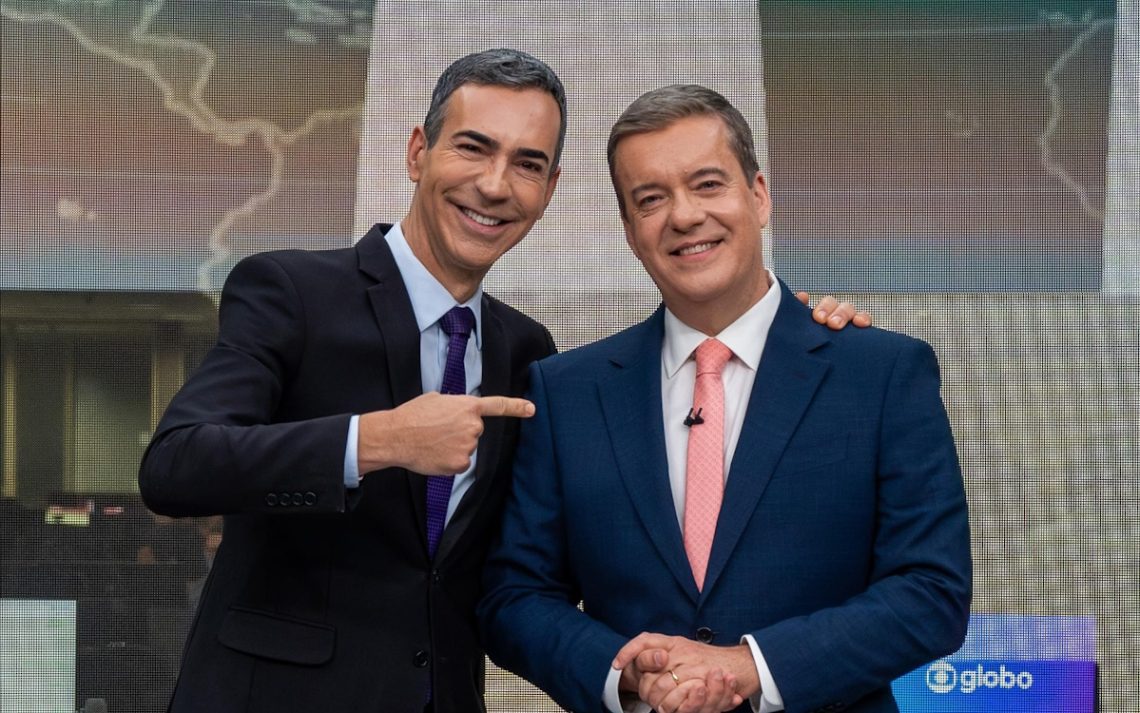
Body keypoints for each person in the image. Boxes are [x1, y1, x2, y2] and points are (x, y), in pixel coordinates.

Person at [139, 51, 865, 712]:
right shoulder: (293, 292)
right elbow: (175, 465)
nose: (493, 184)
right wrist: (377, 439)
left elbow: (524, 572)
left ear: (548, 190)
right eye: (473, 147)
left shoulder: (528, 355)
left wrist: (779, 337)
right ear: (418, 152)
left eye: (527, 163)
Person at [477, 85, 971, 713]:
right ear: (630, 231)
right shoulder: (566, 391)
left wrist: (750, 666)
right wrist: (626, 671)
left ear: (758, 195)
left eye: (707, 184)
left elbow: (931, 592)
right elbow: (515, 596)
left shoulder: (881, 373)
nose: (684, 216)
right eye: (650, 199)